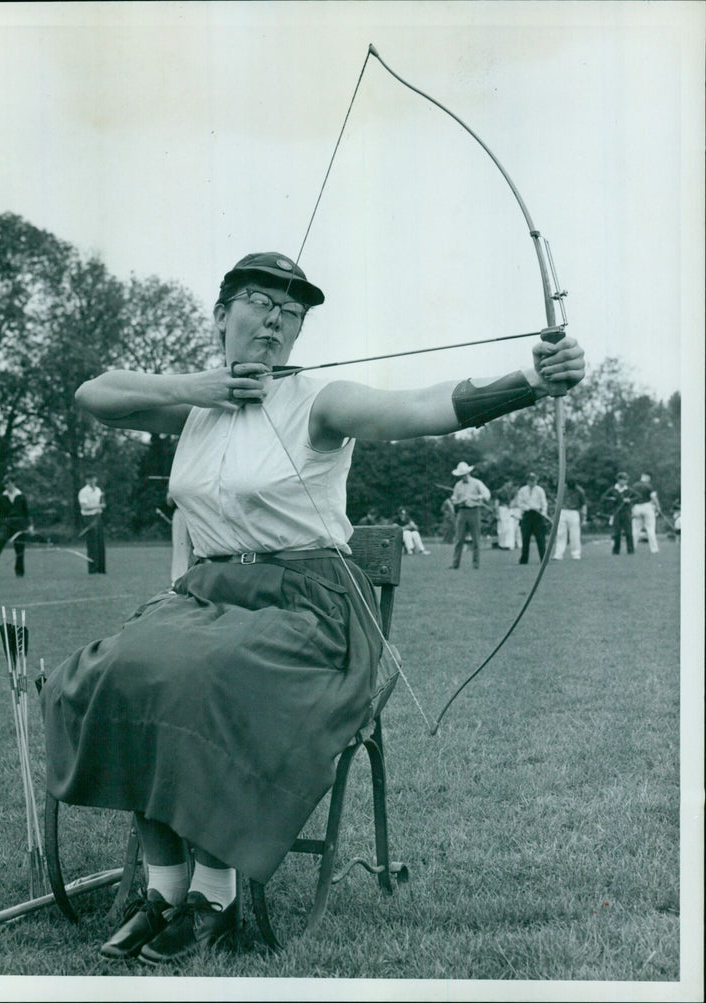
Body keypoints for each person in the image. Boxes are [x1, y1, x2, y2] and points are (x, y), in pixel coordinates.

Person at [40, 251, 585, 965]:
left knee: (199, 675)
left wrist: (528, 382)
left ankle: (214, 894)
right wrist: (200, 387)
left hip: (311, 613)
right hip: (209, 599)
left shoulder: (318, 401)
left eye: (292, 312)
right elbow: (92, 392)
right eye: (260, 302)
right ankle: (163, 890)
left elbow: (420, 409)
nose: (276, 319)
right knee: (117, 669)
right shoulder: (194, 404)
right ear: (221, 314)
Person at [0, 476, 33, 576]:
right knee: (0, 541)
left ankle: (19, 572)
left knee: (19, 548)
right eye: (5, 484)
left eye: (8, 483)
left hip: (20, 525)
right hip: (7, 524)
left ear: (13, 483)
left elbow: (26, 512)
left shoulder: (21, 496)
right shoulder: (2, 497)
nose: (6, 486)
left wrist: (29, 526)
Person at [449, 462, 490, 569]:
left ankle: (476, 564)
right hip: (462, 512)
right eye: (461, 475)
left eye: (465, 474)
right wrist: (458, 502)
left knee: (476, 539)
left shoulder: (477, 483)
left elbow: (487, 495)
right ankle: (455, 564)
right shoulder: (458, 485)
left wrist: (477, 497)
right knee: (459, 539)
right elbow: (454, 498)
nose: (463, 477)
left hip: (474, 511)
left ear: (468, 473)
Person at [516, 471, 548, 564]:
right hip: (527, 514)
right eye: (531, 481)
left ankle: (543, 558)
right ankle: (524, 559)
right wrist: (528, 508)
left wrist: (543, 512)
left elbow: (544, 503)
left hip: (537, 515)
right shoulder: (522, 490)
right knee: (525, 538)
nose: (532, 483)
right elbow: (520, 503)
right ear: (527, 481)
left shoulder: (540, 490)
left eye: (534, 481)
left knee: (540, 538)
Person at [600, 472, 636, 555]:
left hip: (626, 512)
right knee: (616, 533)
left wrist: (630, 500)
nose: (625, 482)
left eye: (626, 480)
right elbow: (603, 498)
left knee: (628, 533)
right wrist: (611, 499)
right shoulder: (613, 490)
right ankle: (616, 551)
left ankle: (630, 551)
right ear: (619, 480)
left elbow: (638, 497)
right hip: (616, 512)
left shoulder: (629, 490)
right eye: (623, 480)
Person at [552, 478, 587, 560]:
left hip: (574, 512)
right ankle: (558, 554)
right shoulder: (563, 489)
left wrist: (584, 516)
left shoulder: (579, 491)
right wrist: (556, 512)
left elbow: (584, 504)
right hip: (563, 511)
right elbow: (557, 501)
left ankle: (576, 554)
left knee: (575, 534)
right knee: (561, 533)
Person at [78, 473, 107, 574]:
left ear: (96, 479)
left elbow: (102, 502)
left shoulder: (98, 490)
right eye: (89, 479)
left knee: (100, 543)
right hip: (88, 518)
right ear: (86, 481)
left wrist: (100, 507)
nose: (91, 481)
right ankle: (92, 569)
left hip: (97, 517)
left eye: (93, 479)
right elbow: (84, 507)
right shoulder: (83, 492)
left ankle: (101, 568)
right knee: (92, 544)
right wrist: (99, 506)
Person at [631, 472, 660, 554]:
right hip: (647, 506)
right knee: (650, 529)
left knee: (635, 530)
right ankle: (654, 549)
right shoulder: (649, 486)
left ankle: (632, 548)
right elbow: (653, 497)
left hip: (636, 507)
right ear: (648, 477)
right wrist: (658, 506)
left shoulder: (634, 486)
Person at [493, 479, 517, 550]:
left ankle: (509, 544)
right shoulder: (499, 492)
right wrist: (497, 513)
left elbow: (514, 500)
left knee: (510, 527)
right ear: (505, 483)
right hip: (502, 509)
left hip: (509, 509)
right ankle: (502, 544)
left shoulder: (512, 491)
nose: (510, 484)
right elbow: (496, 503)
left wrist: (512, 505)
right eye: (509, 482)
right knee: (502, 527)